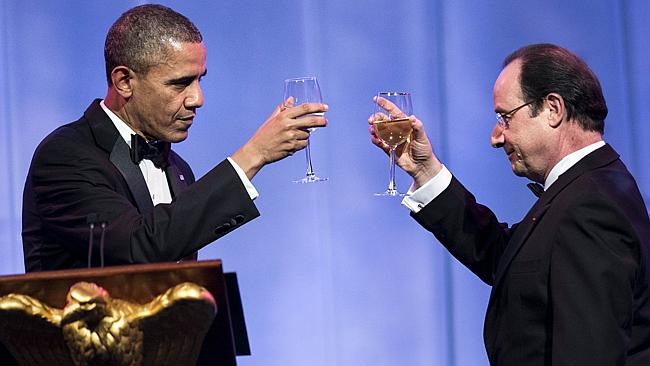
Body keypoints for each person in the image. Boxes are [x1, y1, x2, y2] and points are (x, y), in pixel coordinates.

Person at [369, 43, 650, 365]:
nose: (496, 136)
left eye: (505, 117)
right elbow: (508, 259)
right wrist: (424, 170)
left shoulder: (590, 207)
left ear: (553, 109)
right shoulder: (587, 188)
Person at [22, 4, 327, 272]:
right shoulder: (67, 156)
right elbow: (138, 248)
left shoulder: (177, 168)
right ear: (124, 81)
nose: (198, 98)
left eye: (199, 79)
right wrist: (253, 155)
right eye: (180, 83)